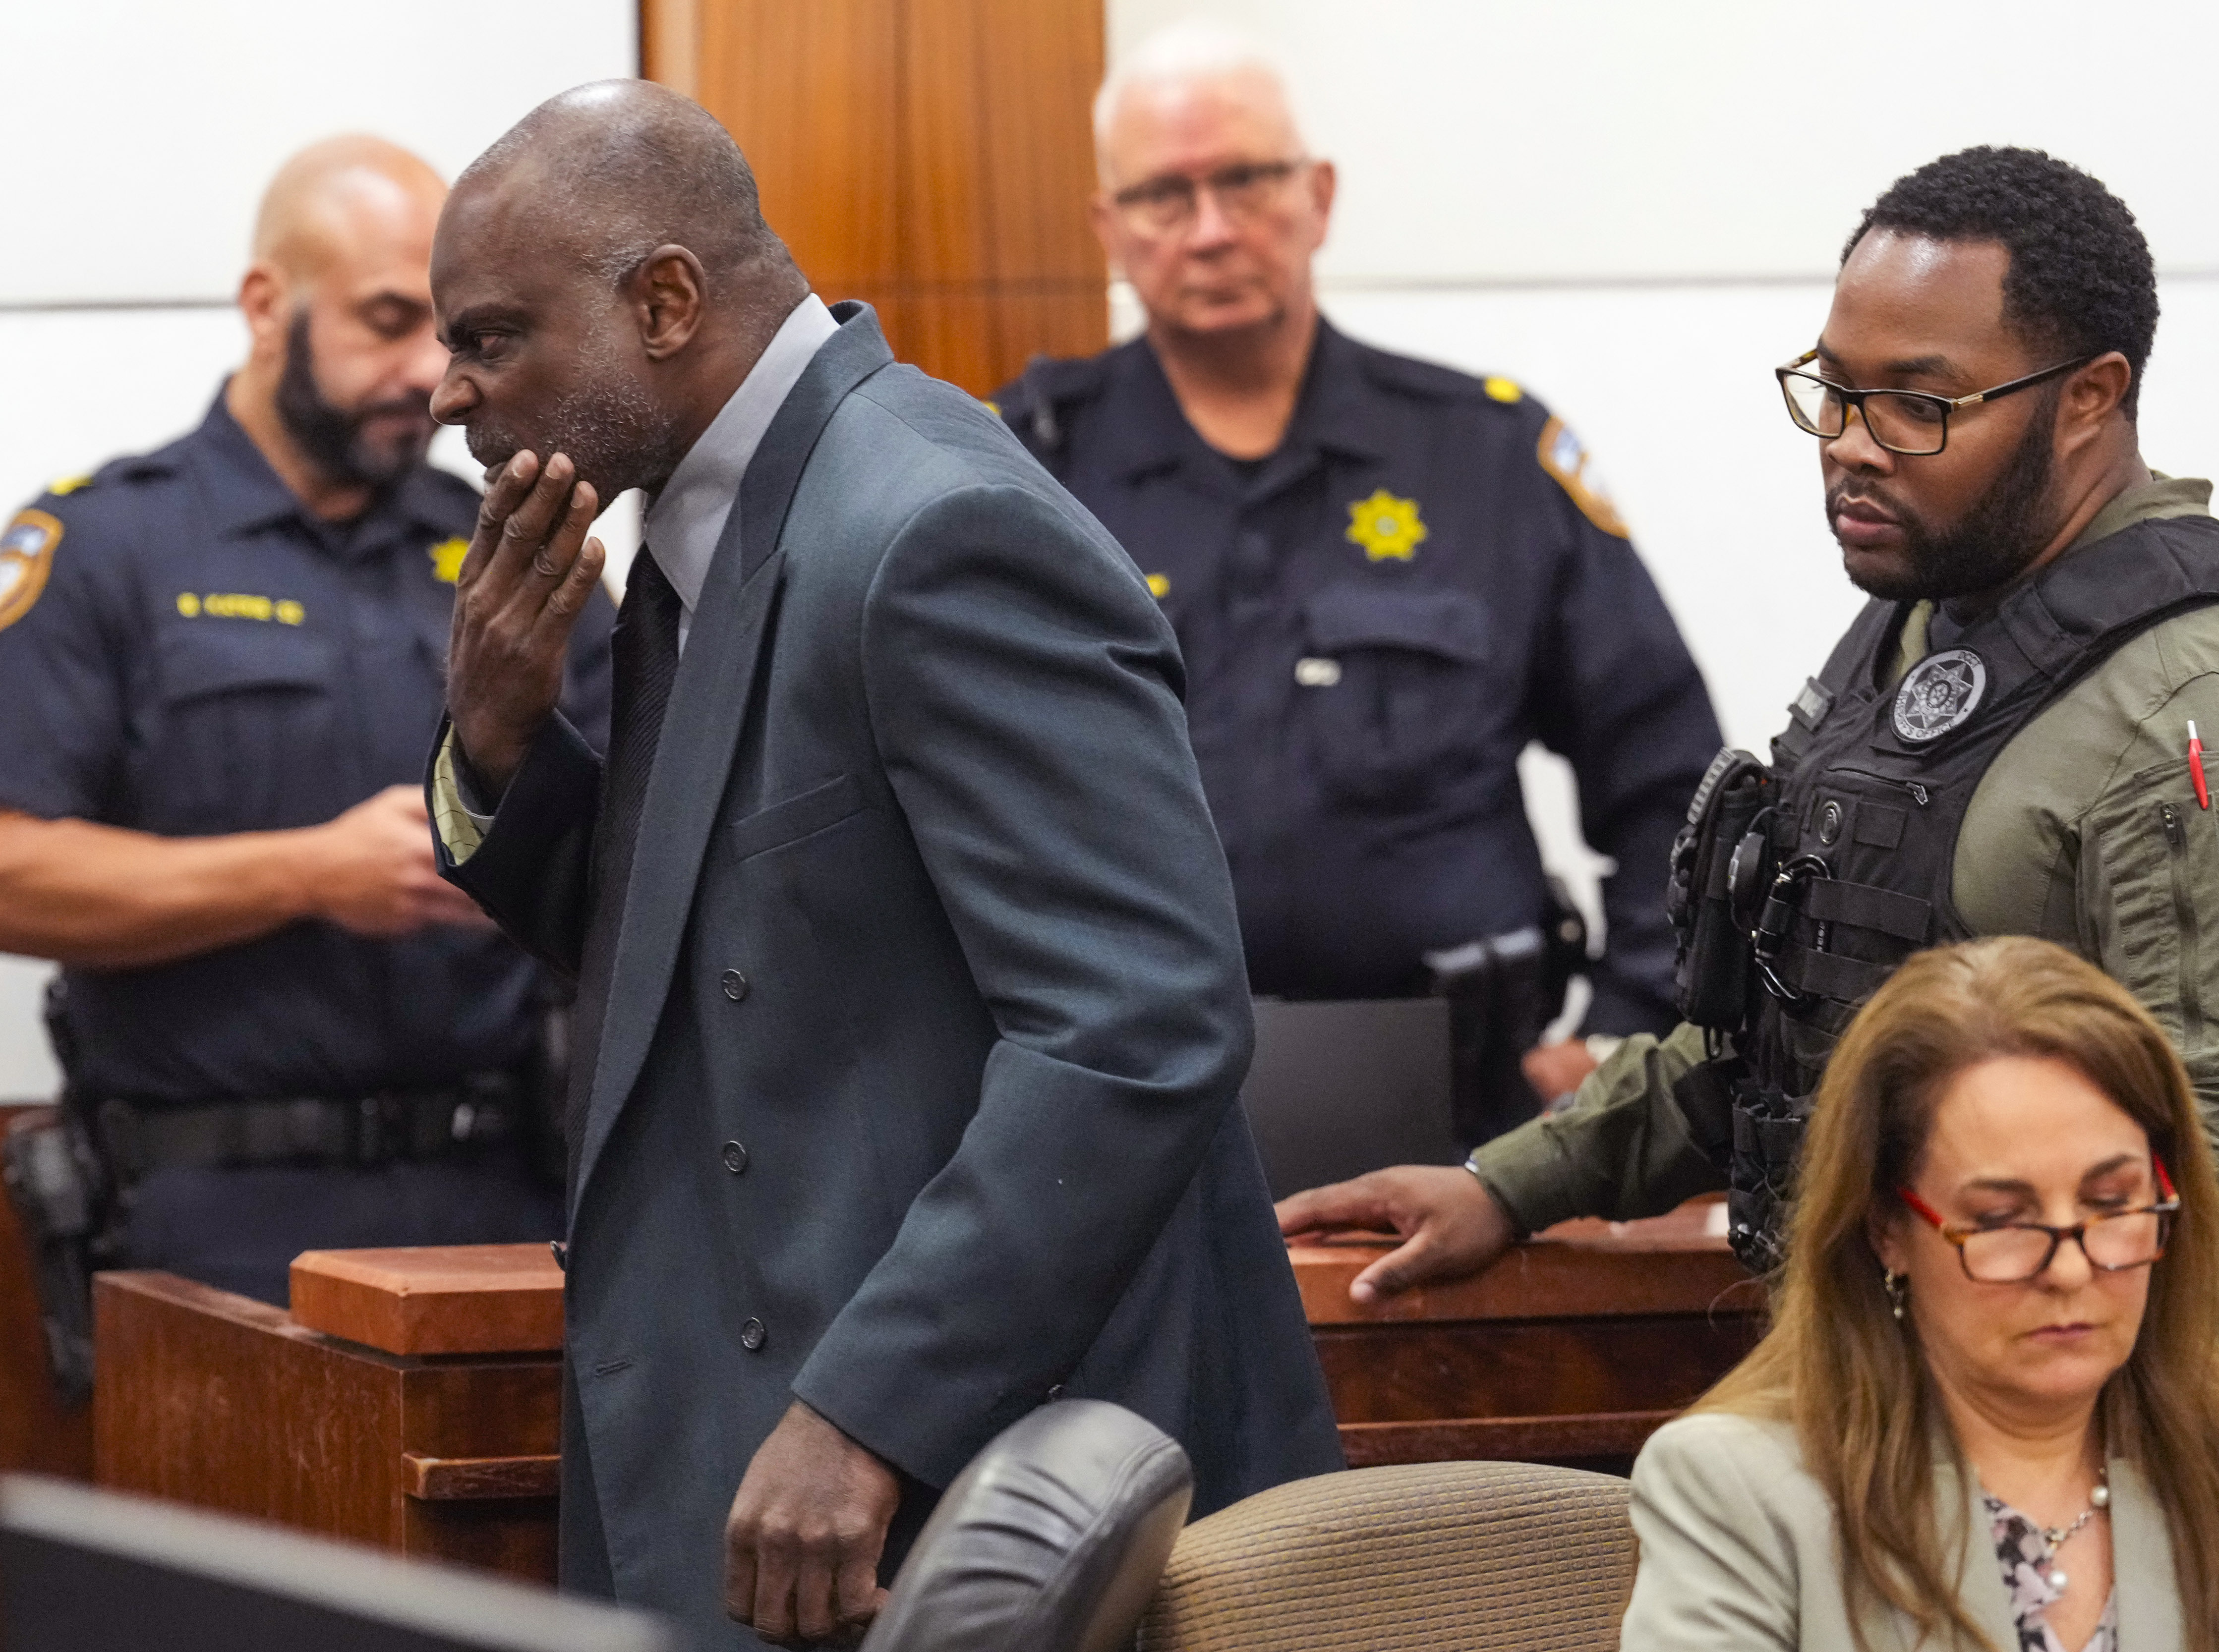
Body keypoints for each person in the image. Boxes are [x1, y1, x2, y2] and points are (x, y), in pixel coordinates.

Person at [1280, 147, 2219, 1555]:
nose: (1853, 441)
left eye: (1919, 404)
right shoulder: (1924, 626)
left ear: (2092, 399)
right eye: (1836, 388)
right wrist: (1511, 1181)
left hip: (2134, 1504)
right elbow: (1785, 1023)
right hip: (1890, 1448)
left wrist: (2030, 1518)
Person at [422, 82, 1341, 1649]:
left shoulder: (932, 523)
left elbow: (1138, 1020)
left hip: (966, 1468)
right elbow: (719, 972)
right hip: (762, 1412)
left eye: (494, 336)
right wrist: (507, 749)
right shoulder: (710, 525)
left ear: (664, 301)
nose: (451, 394)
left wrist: (866, 1408)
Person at [993, 25, 1722, 1141]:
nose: (1212, 228)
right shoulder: (1027, 470)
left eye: (1245, 178)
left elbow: (1668, 771)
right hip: (1120, 1096)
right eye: (1162, 195)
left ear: (1318, 195)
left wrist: (1629, 1030)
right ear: (1108, 226)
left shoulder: (1484, 457)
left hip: (1464, 1102)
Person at [0, 136, 610, 1310]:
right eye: (386, 321)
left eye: (449, 334)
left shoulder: (508, 549)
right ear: (267, 304)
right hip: (217, 1225)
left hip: (510, 1201)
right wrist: (310, 874)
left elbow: (652, 830)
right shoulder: (105, 549)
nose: (425, 378)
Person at [1626, 936, 2219, 1652]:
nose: (2072, 1270)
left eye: (2112, 1204)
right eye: (2002, 1219)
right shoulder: (1739, 1491)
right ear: (1887, 1226)